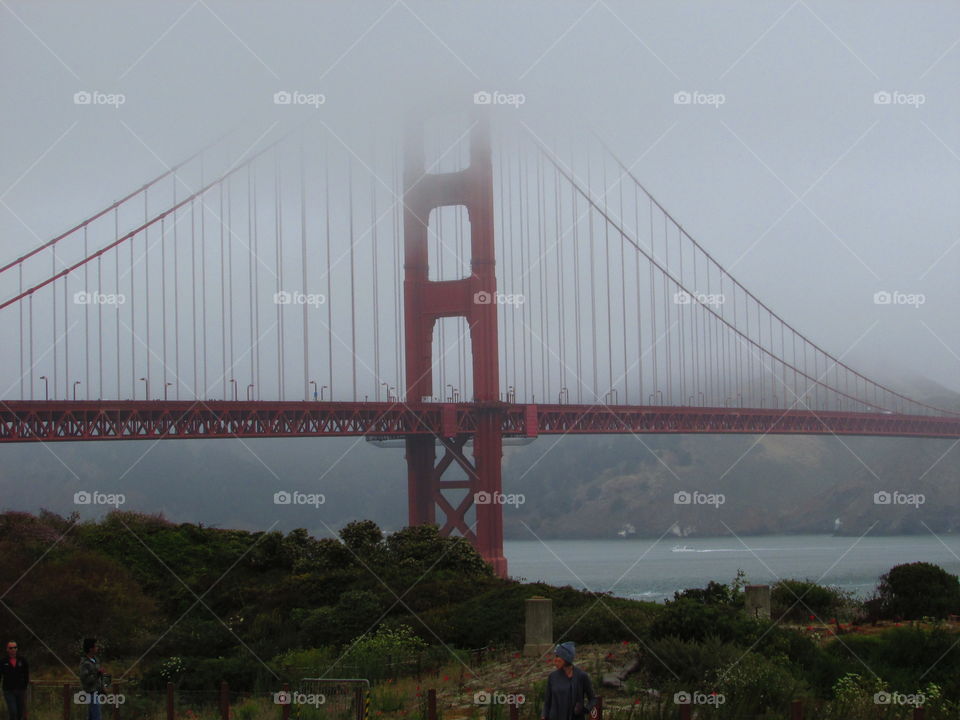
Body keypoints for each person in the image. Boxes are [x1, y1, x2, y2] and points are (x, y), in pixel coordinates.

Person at [541, 642, 596, 720]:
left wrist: (584, 709)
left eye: (558, 656)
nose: (555, 660)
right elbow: (547, 702)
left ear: (566, 658)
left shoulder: (581, 676)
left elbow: (593, 699)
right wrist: (544, 716)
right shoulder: (552, 677)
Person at [0, 641, 29, 720]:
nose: (13, 649)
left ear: (17, 649)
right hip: (8, 690)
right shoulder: (3, 661)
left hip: (20, 690)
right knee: (13, 711)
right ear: (7, 649)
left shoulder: (22, 660)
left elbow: (26, 674)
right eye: (11, 648)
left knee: (20, 712)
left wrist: (25, 686)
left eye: (15, 647)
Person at [79, 639, 105, 720]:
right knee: (96, 717)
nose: (97, 648)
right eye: (95, 646)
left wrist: (103, 688)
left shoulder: (96, 660)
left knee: (92, 717)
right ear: (91, 649)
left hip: (97, 692)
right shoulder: (85, 663)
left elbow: (99, 677)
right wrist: (97, 674)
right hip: (90, 693)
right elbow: (85, 679)